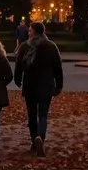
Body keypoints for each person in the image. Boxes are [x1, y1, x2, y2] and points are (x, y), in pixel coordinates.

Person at [14, 22, 63, 157]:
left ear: (34, 32)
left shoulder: (25, 46)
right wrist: (59, 85)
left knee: (31, 114)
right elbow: (57, 67)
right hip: (46, 84)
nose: (28, 33)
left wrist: (17, 80)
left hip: (30, 85)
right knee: (43, 114)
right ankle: (41, 137)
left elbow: (19, 66)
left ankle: (34, 141)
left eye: (30, 31)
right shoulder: (51, 46)